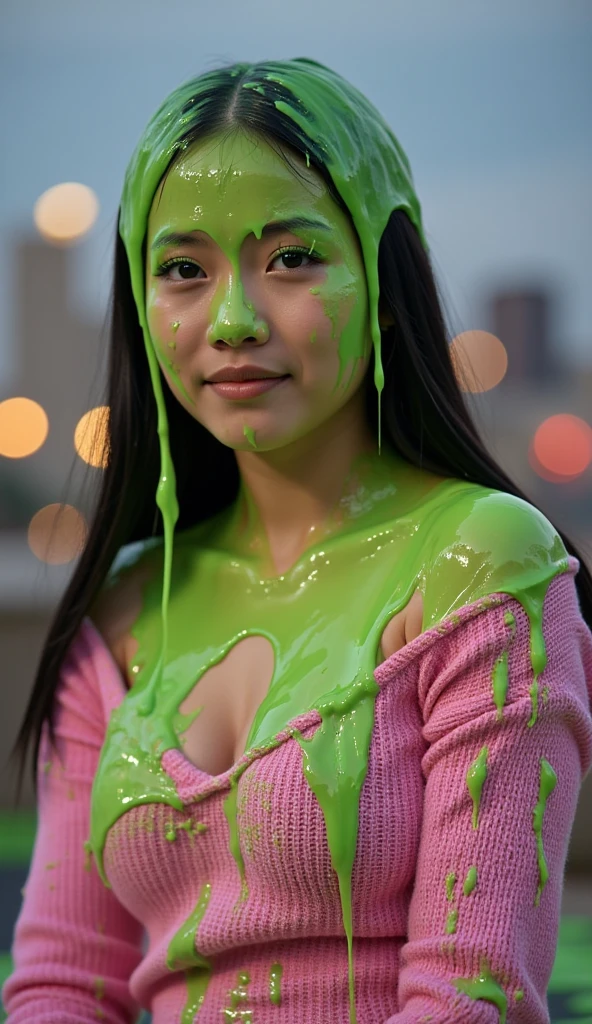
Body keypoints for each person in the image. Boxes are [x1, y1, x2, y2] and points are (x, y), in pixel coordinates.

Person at [3, 57, 592, 1024]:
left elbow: (469, 996)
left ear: (386, 284)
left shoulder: (484, 569)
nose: (231, 321)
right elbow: (64, 983)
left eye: (292, 259)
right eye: (183, 269)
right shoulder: (119, 609)